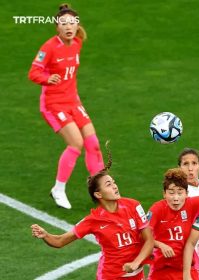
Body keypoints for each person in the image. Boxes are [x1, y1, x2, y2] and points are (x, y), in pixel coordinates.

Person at [31, 146, 154, 280]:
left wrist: (136, 263)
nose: (114, 186)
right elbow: (60, 241)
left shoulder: (133, 205)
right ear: (98, 194)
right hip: (111, 276)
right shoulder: (93, 220)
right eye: (108, 184)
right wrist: (45, 235)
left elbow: (149, 240)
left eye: (114, 182)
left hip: (137, 275)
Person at [28, 3, 104, 209]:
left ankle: (99, 190)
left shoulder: (77, 43)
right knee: (76, 144)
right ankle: (58, 189)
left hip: (73, 101)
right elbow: (33, 72)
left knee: (93, 143)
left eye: (72, 23)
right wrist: (47, 77)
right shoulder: (49, 47)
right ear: (57, 27)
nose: (68, 27)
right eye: (64, 23)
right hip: (53, 104)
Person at [147, 168, 199, 280]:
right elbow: (142, 235)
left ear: (186, 194)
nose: (176, 198)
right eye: (171, 193)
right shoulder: (156, 209)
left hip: (187, 268)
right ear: (164, 194)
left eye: (180, 193)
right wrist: (161, 245)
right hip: (162, 270)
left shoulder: (192, 203)